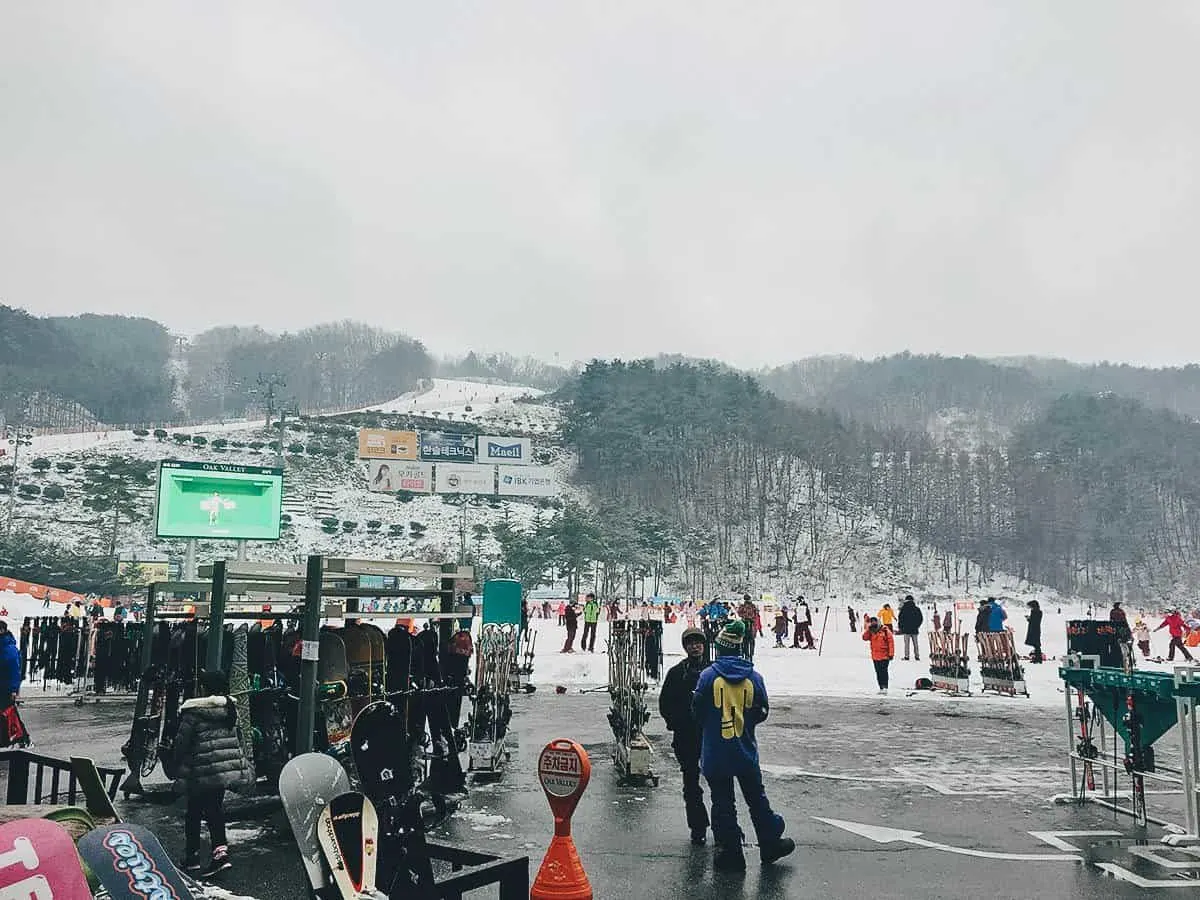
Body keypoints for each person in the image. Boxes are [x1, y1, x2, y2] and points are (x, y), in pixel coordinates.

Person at [691, 620, 794, 871]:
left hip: (716, 751)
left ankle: (730, 851)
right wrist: (746, 725)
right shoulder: (754, 677)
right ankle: (769, 843)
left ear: (720, 648)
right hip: (745, 749)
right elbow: (762, 711)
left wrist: (712, 725)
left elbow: (697, 711)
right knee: (756, 798)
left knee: (722, 801)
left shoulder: (708, 676)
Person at [170, 669, 251, 876]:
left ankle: (193, 856)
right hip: (221, 773)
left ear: (204, 688)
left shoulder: (193, 712)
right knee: (215, 811)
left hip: (199, 771)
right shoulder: (230, 710)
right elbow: (238, 740)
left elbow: (181, 744)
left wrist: (175, 763)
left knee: (193, 814)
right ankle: (219, 853)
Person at [659, 627, 710, 845]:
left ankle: (725, 828)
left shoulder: (713, 671)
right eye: (690, 643)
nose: (695, 646)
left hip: (710, 736)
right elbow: (665, 703)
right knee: (691, 784)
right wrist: (676, 723)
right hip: (686, 737)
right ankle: (698, 826)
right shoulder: (676, 672)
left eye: (698, 642)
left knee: (720, 784)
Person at [862, 616, 894, 694]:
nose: (873, 623)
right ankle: (881, 687)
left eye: (874, 621)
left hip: (884, 656)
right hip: (875, 656)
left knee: (884, 672)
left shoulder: (885, 631)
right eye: (872, 622)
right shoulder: (871, 631)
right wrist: (868, 629)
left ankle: (885, 687)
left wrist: (891, 654)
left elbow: (891, 643)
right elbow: (864, 638)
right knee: (878, 672)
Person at [0, 622, 22, 709]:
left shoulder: (8, 648)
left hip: (5, 689)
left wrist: (13, 690)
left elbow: (14, 670)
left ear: (2, 631)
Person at [897, 595, 923, 661]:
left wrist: (901, 627)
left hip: (906, 629)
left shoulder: (903, 609)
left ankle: (906, 656)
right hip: (914, 629)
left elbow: (900, 619)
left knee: (906, 644)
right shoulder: (917, 609)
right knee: (915, 644)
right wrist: (917, 626)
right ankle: (917, 656)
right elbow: (920, 618)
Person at [738, 595, 758, 662]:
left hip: (751, 624)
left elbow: (756, 614)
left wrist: (751, 618)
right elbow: (739, 613)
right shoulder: (744, 606)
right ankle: (747, 654)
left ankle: (750, 654)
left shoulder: (752, 606)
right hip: (746, 623)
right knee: (746, 640)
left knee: (750, 640)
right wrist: (746, 617)